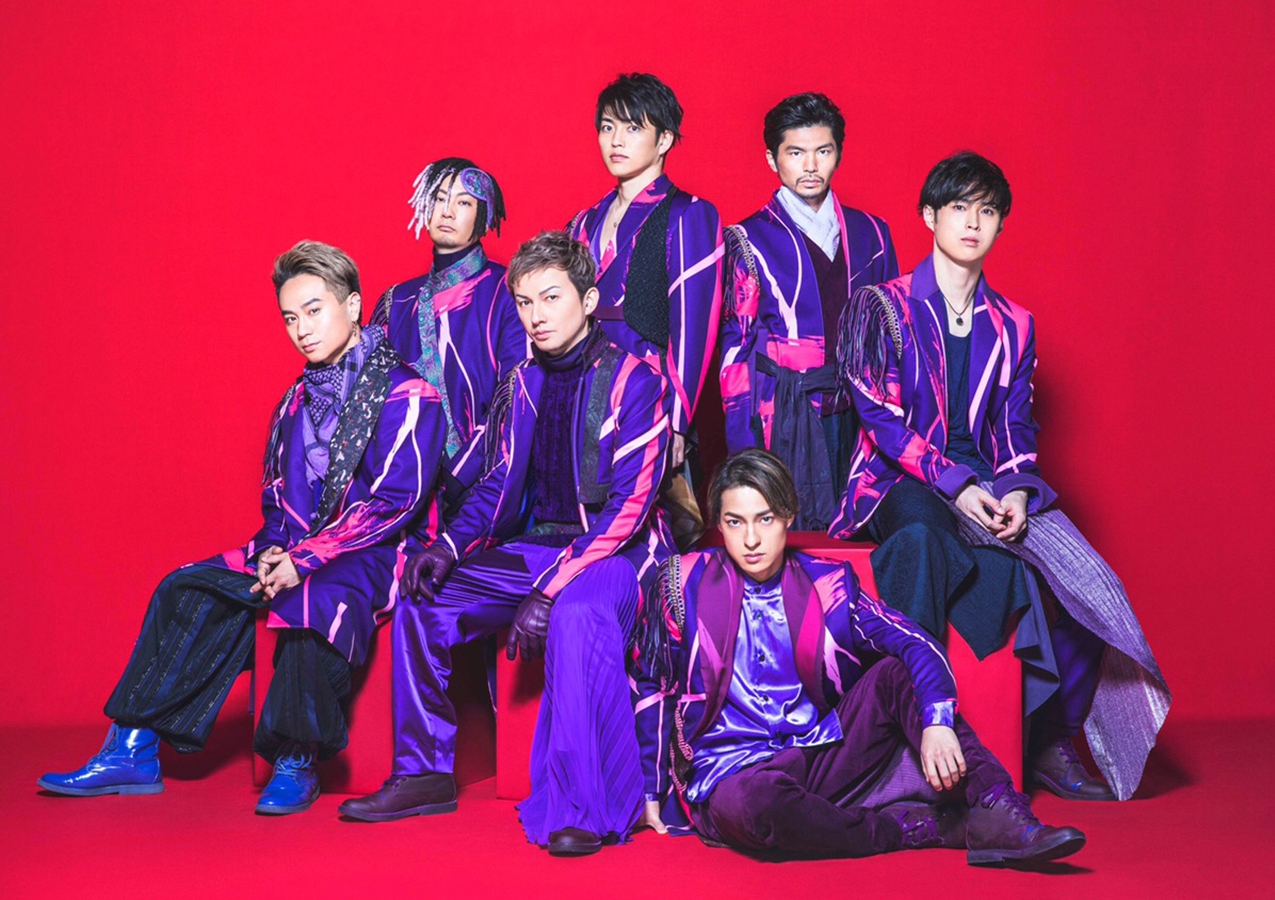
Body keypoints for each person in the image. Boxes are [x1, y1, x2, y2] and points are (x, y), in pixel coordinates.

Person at [38, 241, 446, 814]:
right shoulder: (295, 400)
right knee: (189, 585)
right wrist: (276, 551)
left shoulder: (409, 392)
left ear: (353, 306)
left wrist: (304, 560)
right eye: (290, 317)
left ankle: (296, 757)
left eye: (314, 310)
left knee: (312, 598)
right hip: (295, 548)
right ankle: (132, 748)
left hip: (378, 552)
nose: (302, 329)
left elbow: (393, 503)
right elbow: (276, 495)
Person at [832, 152, 1170, 801]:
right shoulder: (882, 306)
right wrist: (954, 484)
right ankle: (915, 735)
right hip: (898, 477)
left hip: (988, 481)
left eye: (986, 211)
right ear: (929, 216)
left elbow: (1015, 425)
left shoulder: (1013, 324)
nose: (972, 223)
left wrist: (1014, 489)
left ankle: (1047, 738)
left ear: (1000, 225)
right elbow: (879, 420)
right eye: (959, 207)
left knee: (1088, 582)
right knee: (924, 539)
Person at [339, 232, 675, 857]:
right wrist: (448, 546)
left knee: (576, 614)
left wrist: (550, 590)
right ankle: (423, 773)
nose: (536, 315)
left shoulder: (638, 380)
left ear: (588, 300)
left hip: (618, 556)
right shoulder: (522, 381)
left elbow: (631, 506)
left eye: (551, 297)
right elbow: (499, 481)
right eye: (524, 302)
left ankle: (584, 807)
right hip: (537, 550)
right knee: (423, 598)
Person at [632, 449, 1085, 865]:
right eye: (735, 522)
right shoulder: (683, 584)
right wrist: (653, 790)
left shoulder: (829, 585)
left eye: (764, 519)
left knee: (895, 673)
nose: (751, 539)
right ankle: (908, 828)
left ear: (788, 516)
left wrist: (937, 720)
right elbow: (651, 683)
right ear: (719, 523)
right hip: (733, 772)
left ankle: (998, 810)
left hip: (817, 753)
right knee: (759, 806)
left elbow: (914, 642)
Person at [718, 92, 898, 530]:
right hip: (785, 414)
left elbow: (895, 334)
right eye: (796, 153)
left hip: (863, 413)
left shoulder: (872, 233)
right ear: (772, 159)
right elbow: (735, 350)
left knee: (864, 531)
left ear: (839, 153)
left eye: (823, 151)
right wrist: (744, 446)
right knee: (792, 534)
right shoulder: (748, 238)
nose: (811, 165)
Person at [566, 72, 723, 546]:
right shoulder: (584, 220)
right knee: (581, 525)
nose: (616, 140)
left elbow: (694, 327)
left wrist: (678, 421)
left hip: (651, 391)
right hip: (584, 390)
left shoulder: (688, 213)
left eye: (633, 128)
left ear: (665, 140)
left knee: (656, 533)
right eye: (607, 127)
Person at [371, 157, 527, 507]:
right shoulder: (396, 301)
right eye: (440, 198)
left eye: (464, 202)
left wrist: (464, 470)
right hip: (403, 483)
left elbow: (516, 393)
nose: (447, 211)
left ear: (484, 216)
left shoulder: (509, 291)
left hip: (485, 482)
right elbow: (374, 398)